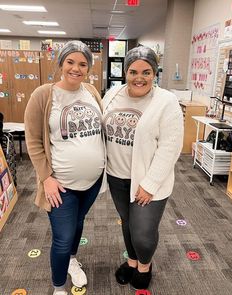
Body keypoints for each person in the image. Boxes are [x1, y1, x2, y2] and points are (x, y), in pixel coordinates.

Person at [24, 40, 106, 295]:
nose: (76, 68)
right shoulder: (43, 94)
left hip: (92, 182)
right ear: (61, 63)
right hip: (60, 185)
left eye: (83, 64)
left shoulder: (91, 91)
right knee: (61, 239)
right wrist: (46, 178)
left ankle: (72, 259)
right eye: (70, 61)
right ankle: (59, 289)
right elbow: (34, 141)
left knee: (79, 222)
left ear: (89, 68)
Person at [103, 46, 184, 290]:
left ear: (155, 73)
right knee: (127, 223)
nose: (140, 77)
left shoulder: (166, 101)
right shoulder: (113, 94)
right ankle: (131, 262)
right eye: (133, 71)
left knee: (143, 233)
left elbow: (170, 147)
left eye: (146, 72)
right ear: (125, 72)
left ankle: (145, 266)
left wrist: (149, 185)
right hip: (116, 176)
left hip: (148, 181)